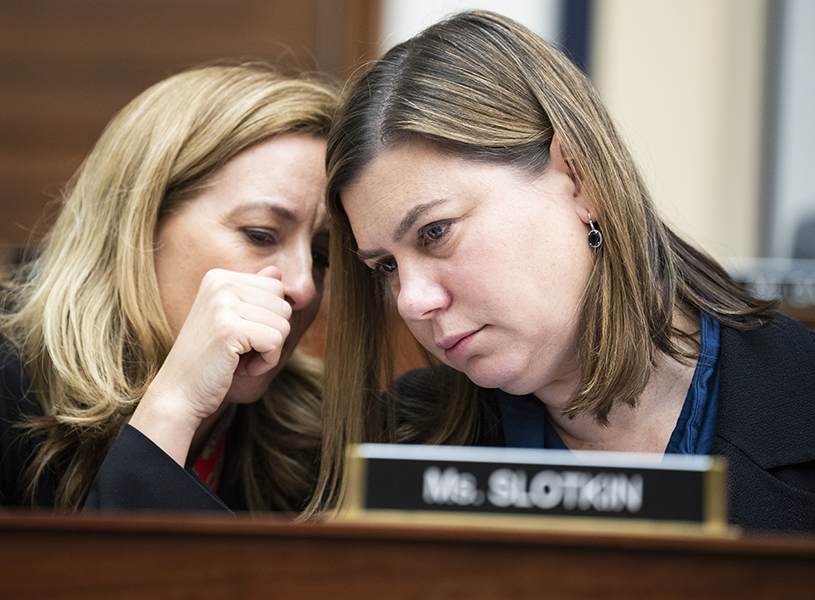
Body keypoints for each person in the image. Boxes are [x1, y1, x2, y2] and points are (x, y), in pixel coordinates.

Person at [308, 10, 815, 533]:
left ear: (579, 178)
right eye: (386, 266)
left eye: (435, 232)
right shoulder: (399, 442)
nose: (411, 301)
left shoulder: (799, 399)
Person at [0, 63, 338, 513]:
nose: (304, 287)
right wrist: (173, 405)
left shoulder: (315, 429)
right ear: (138, 226)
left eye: (323, 254)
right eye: (260, 234)